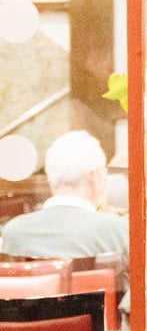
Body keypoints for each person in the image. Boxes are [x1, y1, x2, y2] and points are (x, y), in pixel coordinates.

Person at [2, 129, 129, 300]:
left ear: (49, 176)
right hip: (98, 325)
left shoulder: (13, 232)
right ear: (96, 175)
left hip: (24, 325)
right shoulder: (119, 230)